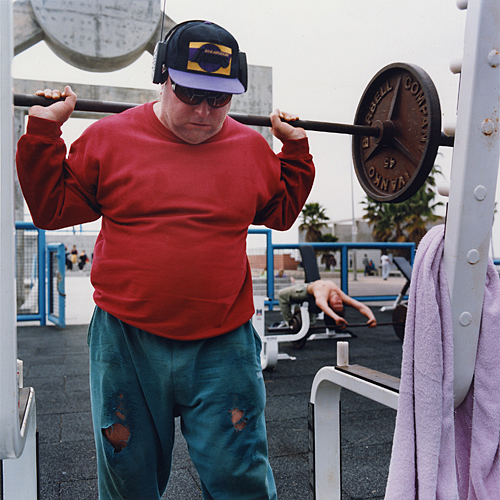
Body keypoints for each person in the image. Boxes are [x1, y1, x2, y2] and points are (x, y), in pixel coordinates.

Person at [15, 20, 315, 500]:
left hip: (223, 342)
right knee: (127, 479)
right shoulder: (108, 139)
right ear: (163, 79)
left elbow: (280, 214)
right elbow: (52, 210)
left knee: (241, 479)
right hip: (126, 341)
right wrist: (44, 133)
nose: (203, 110)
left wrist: (296, 152)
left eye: (219, 99)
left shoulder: (252, 150)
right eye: (190, 93)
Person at [277, 279, 377, 329]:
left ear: (329, 303)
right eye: (340, 304)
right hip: (310, 285)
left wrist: (335, 318)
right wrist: (371, 317)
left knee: (281, 294)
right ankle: (292, 322)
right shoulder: (341, 295)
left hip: (305, 291)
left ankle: (290, 324)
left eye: (336, 305)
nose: (338, 301)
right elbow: (360, 306)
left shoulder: (323, 295)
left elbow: (321, 304)